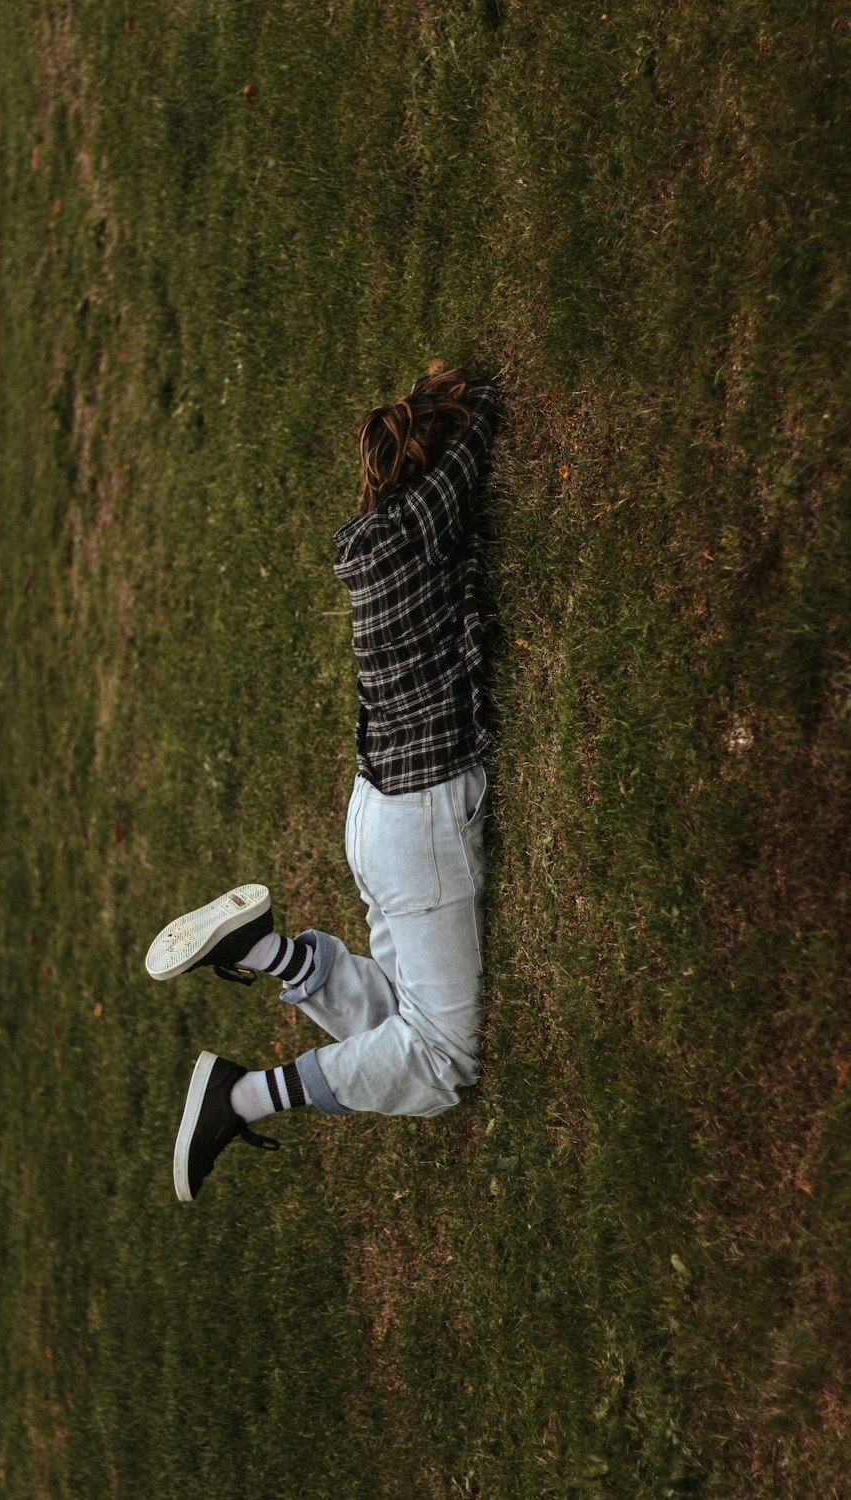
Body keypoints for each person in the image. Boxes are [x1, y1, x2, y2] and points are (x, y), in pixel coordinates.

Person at [146, 365, 501, 1201]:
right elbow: (484, 417)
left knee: (394, 1016)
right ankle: (242, 1096)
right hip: (416, 819)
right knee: (444, 1056)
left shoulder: (375, 542)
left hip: (381, 816)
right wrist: (465, 397)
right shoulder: (411, 533)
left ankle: (262, 949)